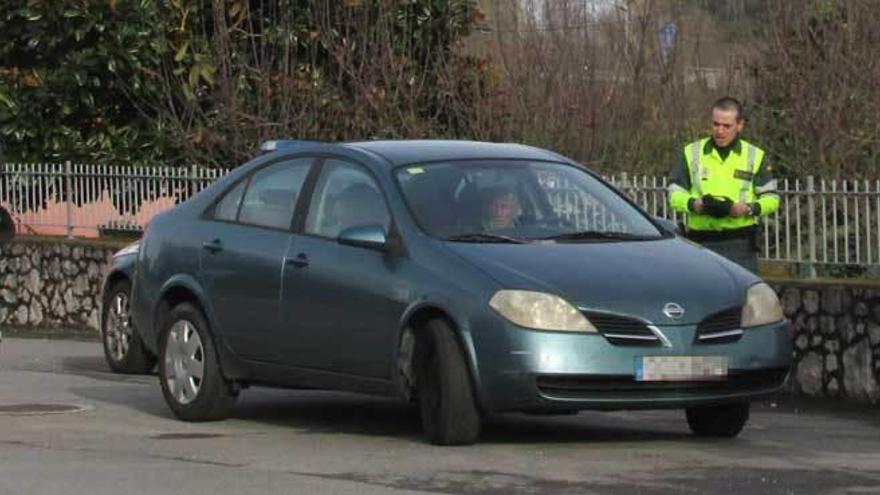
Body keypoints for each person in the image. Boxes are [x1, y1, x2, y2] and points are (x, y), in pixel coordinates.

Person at [667, 97, 780, 273]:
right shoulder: (691, 152)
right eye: (715, 124)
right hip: (700, 243)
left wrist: (747, 209)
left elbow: (772, 198)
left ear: (740, 125)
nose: (720, 131)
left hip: (740, 244)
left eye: (726, 126)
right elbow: (674, 193)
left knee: (742, 298)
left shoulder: (755, 156)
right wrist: (694, 205)